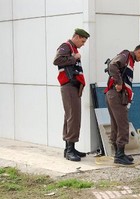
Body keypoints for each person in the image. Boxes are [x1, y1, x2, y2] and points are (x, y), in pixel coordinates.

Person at [104, 44, 140, 165]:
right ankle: (119, 155)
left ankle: (119, 153)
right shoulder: (126, 55)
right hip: (116, 95)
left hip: (114, 95)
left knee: (116, 125)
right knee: (123, 125)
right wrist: (119, 82)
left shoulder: (129, 59)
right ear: (139, 51)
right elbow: (112, 65)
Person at [53, 28, 90, 162]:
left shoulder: (73, 48)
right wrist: (73, 58)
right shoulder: (66, 46)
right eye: (82, 41)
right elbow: (57, 60)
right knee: (73, 117)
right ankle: (70, 150)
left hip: (73, 87)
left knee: (71, 117)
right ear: (77, 36)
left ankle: (70, 148)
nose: (83, 44)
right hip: (69, 86)